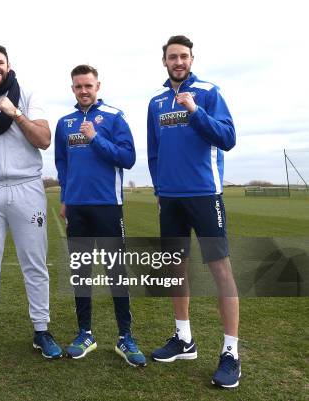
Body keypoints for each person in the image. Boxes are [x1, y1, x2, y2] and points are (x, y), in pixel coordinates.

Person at [147, 35, 240, 388]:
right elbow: (154, 152)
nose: (178, 61)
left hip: (205, 195)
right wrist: (159, 188)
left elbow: (228, 138)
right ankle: (184, 339)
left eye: (183, 56)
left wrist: (196, 112)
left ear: (191, 58)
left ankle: (231, 352)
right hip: (170, 199)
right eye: (172, 57)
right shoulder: (155, 102)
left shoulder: (209, 92)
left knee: (220, 270)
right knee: (175, 268)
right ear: (164, 61)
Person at [0, 45, 62, 359]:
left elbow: (44, 140)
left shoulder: (29, 96)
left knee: (34, 263)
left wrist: (15, 113)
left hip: (26, 186)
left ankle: (41, 331)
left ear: (8, 65)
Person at [55, 64, 147, 366]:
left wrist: (95, 138)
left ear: (98, 86)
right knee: (80, 273)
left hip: (108, 205)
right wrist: (67, 197)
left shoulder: (114, 117)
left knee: (116, 273)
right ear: (72, 88)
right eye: (78, 86)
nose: (84, 90)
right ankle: (85, 333)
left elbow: (128, 158)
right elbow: (63, 164)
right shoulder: (64, 123)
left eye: (88, 85)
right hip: (77, 208)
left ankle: (125, 336)